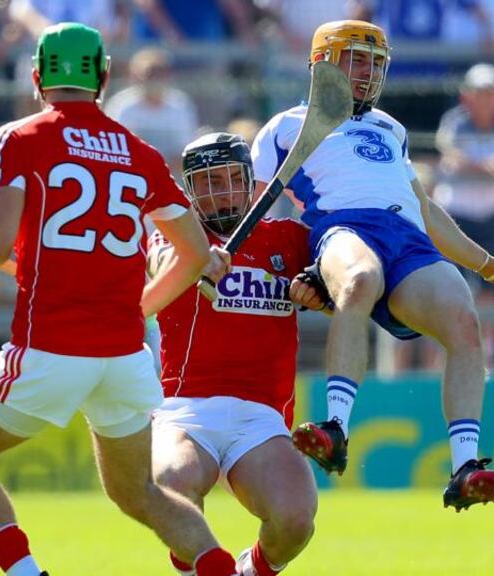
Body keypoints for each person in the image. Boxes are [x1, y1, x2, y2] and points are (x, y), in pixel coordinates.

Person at [0, 23, 240, 576]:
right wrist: (139, 310)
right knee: (139, 493)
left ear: (35, 77)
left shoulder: (17, 139)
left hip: (48, 348)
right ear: (104, 76)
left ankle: (28, 573)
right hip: (124, 356)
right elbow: (194, 255)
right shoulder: (141, 153)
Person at [253, 20, 494, 511]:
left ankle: (465, 466)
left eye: (375, 63)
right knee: (360, 280)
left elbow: (425, 210)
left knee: (464, 322)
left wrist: (490, 265)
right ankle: (335, 428)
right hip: (344, 231)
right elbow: (257, 213)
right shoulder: (283, 128)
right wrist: (293, 271)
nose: (368, 72)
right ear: (323, 64)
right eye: (356, 59)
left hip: (406, 240)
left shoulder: (391, 128)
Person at [147, 133, 328, 576]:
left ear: (252, 183)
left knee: (295, 521)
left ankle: (251, 572)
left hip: (262, 419)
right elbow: (158, 263)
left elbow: (338, 274)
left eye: (232, 179)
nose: (223, 191)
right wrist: (192, 260)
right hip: (187, 410)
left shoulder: (290, 239)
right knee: (172, 486)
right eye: (209, 182)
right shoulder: (174, 239)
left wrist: (320, 288)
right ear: (190, 190)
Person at [433, 63, 494, 365]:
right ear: (467, 97)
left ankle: (488, 359)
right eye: (480, 92)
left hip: (491, 218)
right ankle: (446, 356)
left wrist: (477, 167)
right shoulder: (455, 122)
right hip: (455, 219)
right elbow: (452, 158)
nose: (486, 99)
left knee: (491, 292)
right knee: (451, 291)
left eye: (491, 93)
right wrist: (489, 168)